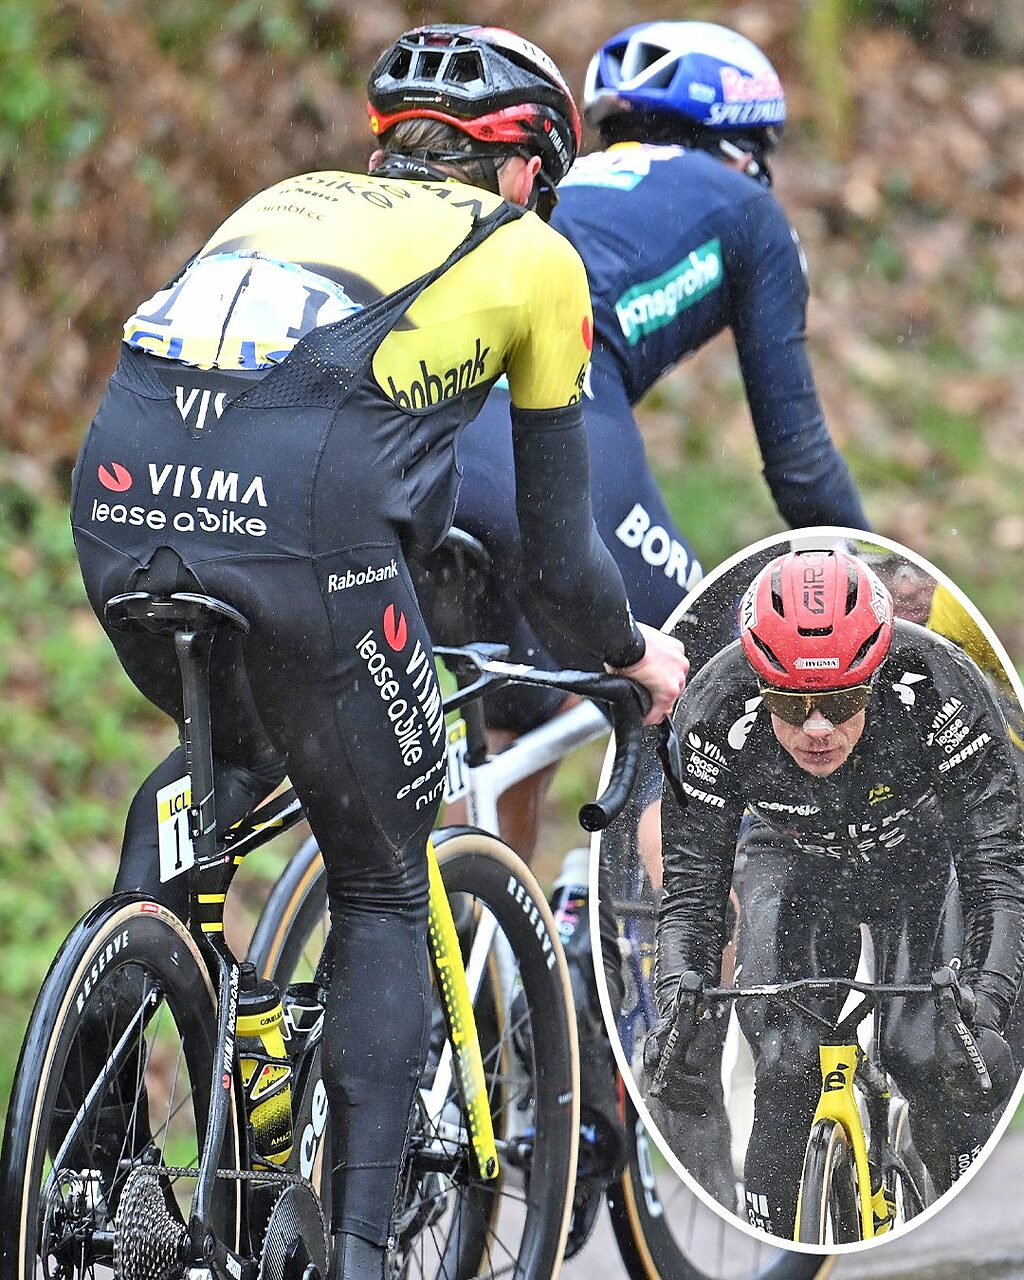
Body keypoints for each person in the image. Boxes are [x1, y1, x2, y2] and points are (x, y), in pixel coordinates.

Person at [69, 23, 689, 1280]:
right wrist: (632, 653)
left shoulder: (285, 200)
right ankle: (358, 1252)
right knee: (384, 872)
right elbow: (560, 565)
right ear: (528, 169)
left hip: (122, 513)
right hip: (303, 537)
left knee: (210, 779)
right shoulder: (533, 251)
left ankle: (90, 1173)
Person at [453, 19, 868, 799]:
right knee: (702, 674)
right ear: (742, 146)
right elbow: (800, 462)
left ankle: (487, 883)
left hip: (433, 442)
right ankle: (668, 884)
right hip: (551, 432)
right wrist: (873, 573)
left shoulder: (566, 185)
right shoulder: (746, 206)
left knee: (516, 721)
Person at [647, 546, 1024, 1237]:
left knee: (928, 1050)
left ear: (876, 673)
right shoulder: (713, 708)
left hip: (922, 860)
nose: (816, 728)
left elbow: (996, 868)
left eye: (842, 700)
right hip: (793, 862)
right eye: (790, 703)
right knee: (784, 1064)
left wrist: (991, 1004)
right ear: (758, 683)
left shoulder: (938, 682)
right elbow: (692, 893)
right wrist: (677, 999)